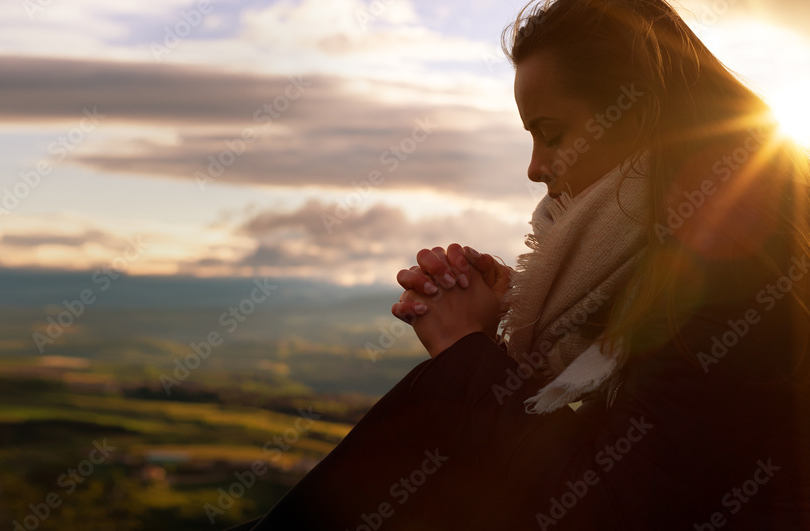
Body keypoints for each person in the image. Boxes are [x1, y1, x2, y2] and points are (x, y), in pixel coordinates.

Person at [225, 0, 810, 528]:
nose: (535, 168)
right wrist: (499, 331)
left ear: (641, 115)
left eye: (551, 135)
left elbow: (610, 508)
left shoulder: (735, 275)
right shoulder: (689, 259)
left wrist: (463, 352)